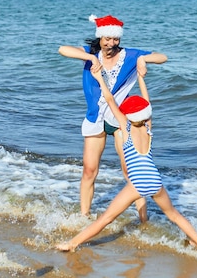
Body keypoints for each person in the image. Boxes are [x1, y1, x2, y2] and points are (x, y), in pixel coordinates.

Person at [55, 69, 197, 252]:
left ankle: (72, 244)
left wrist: (100, 78)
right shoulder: (148, 128)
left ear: (129, 115)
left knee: (106, 218)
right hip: (156, 181)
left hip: (138, 183)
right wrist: (141, 78)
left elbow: (109, 100)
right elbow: (147, 103)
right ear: (145, 113)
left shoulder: (125, 128)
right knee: (174, 215)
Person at [58, 14, 168, 221]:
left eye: (115, 39)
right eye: (107, 38)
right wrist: (90, 58)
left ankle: (143, 220)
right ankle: (84, 217)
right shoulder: (90, 52)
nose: (111, 43)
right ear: (100, 37)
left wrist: (144, 59)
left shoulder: (130, 55)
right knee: (89, 170)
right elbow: (62, 49)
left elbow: (162, 57)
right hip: (95, 119)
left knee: (131, 172)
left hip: (119, 119)